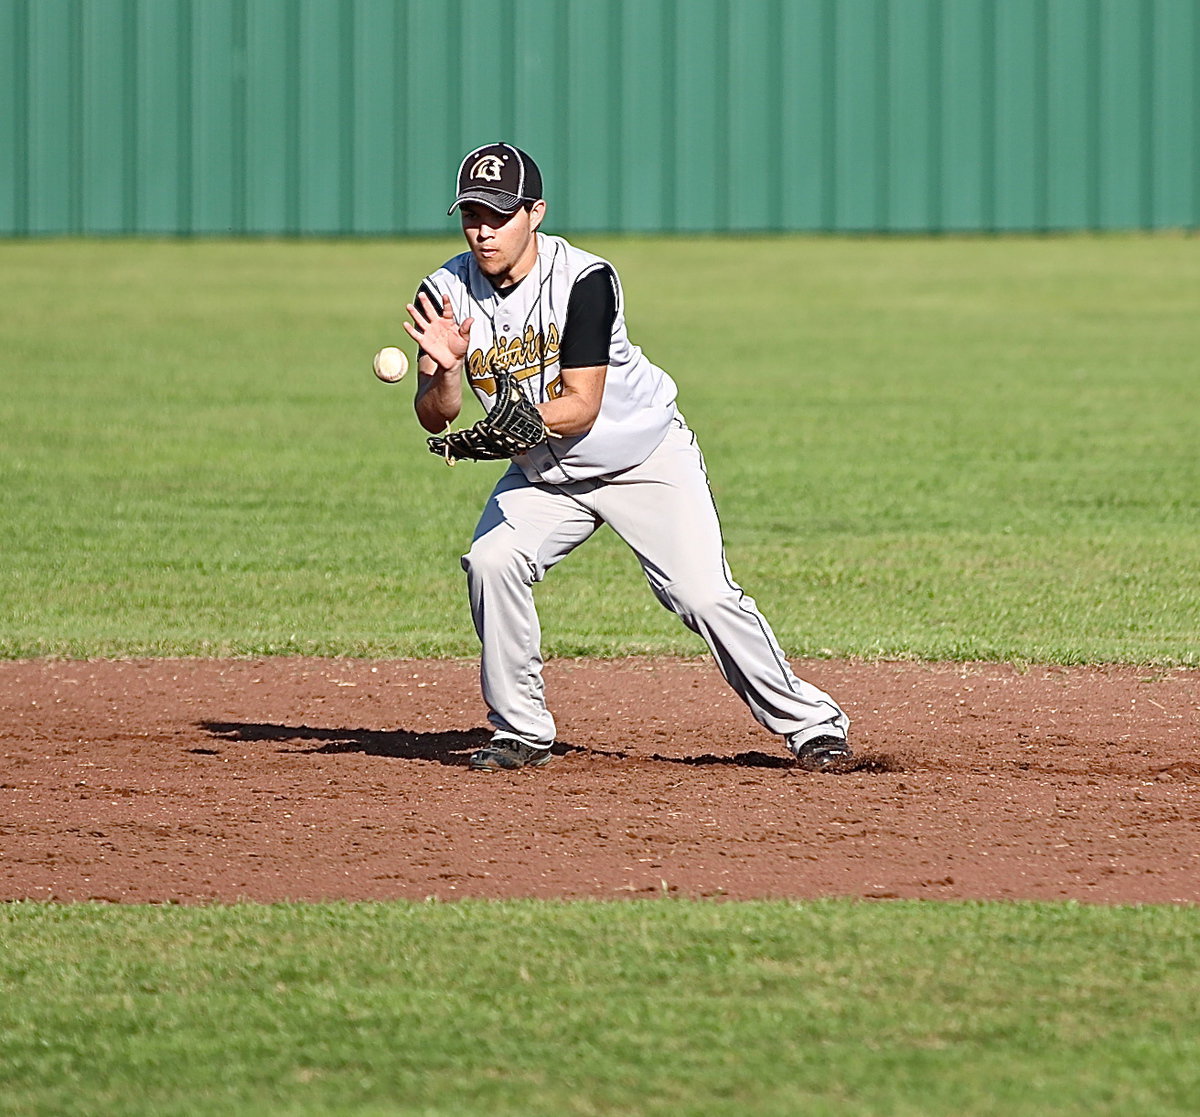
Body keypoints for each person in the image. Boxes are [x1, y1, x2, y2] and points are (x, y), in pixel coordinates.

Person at [403, 142, 851, 773]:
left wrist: (509, 429)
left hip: (642, 458)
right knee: (492, 560)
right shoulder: (445, 291)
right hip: (546, 475)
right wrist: (446, 370)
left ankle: (813, 725)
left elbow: (581, 406)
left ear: (535, 212)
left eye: (499, 214)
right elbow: (435, 412)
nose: (482, 230)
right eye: (471, 214)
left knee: (703, 597)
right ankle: (521, 731)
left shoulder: (585, 280)